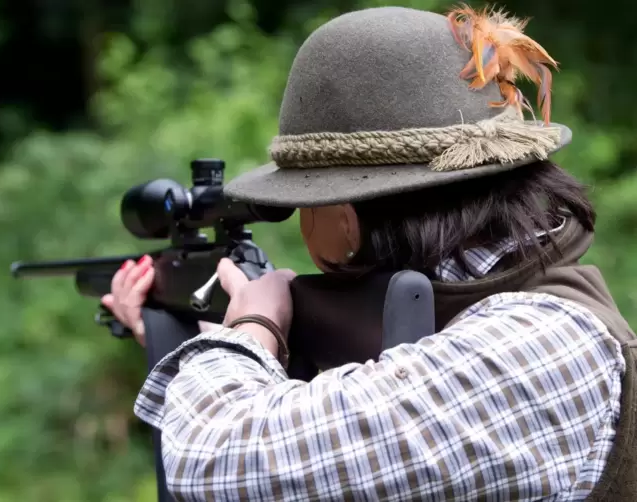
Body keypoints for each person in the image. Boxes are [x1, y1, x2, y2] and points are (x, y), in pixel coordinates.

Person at [102, 5, 637, 501]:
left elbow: (212, 462)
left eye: (303, 205)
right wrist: (190, 339)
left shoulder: (537, 348)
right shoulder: (494, 327)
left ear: (345, 221)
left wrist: (251, 328)